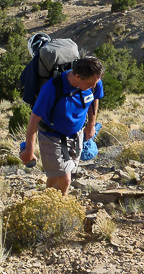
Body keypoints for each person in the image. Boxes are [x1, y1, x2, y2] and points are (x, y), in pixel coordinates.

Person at [19, 56, 104, 195]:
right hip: (52, 137)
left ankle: (47, 204)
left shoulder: (93, 80)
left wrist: (91, 125)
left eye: (96, 82)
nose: (94, 86)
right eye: (90, 84)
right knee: (65, 179)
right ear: (77, 76)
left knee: (58, 176)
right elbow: (33, 120)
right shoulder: (51, 89)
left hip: (77, 136)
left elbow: (95, 98)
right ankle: (58, 214)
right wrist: (29, 150)